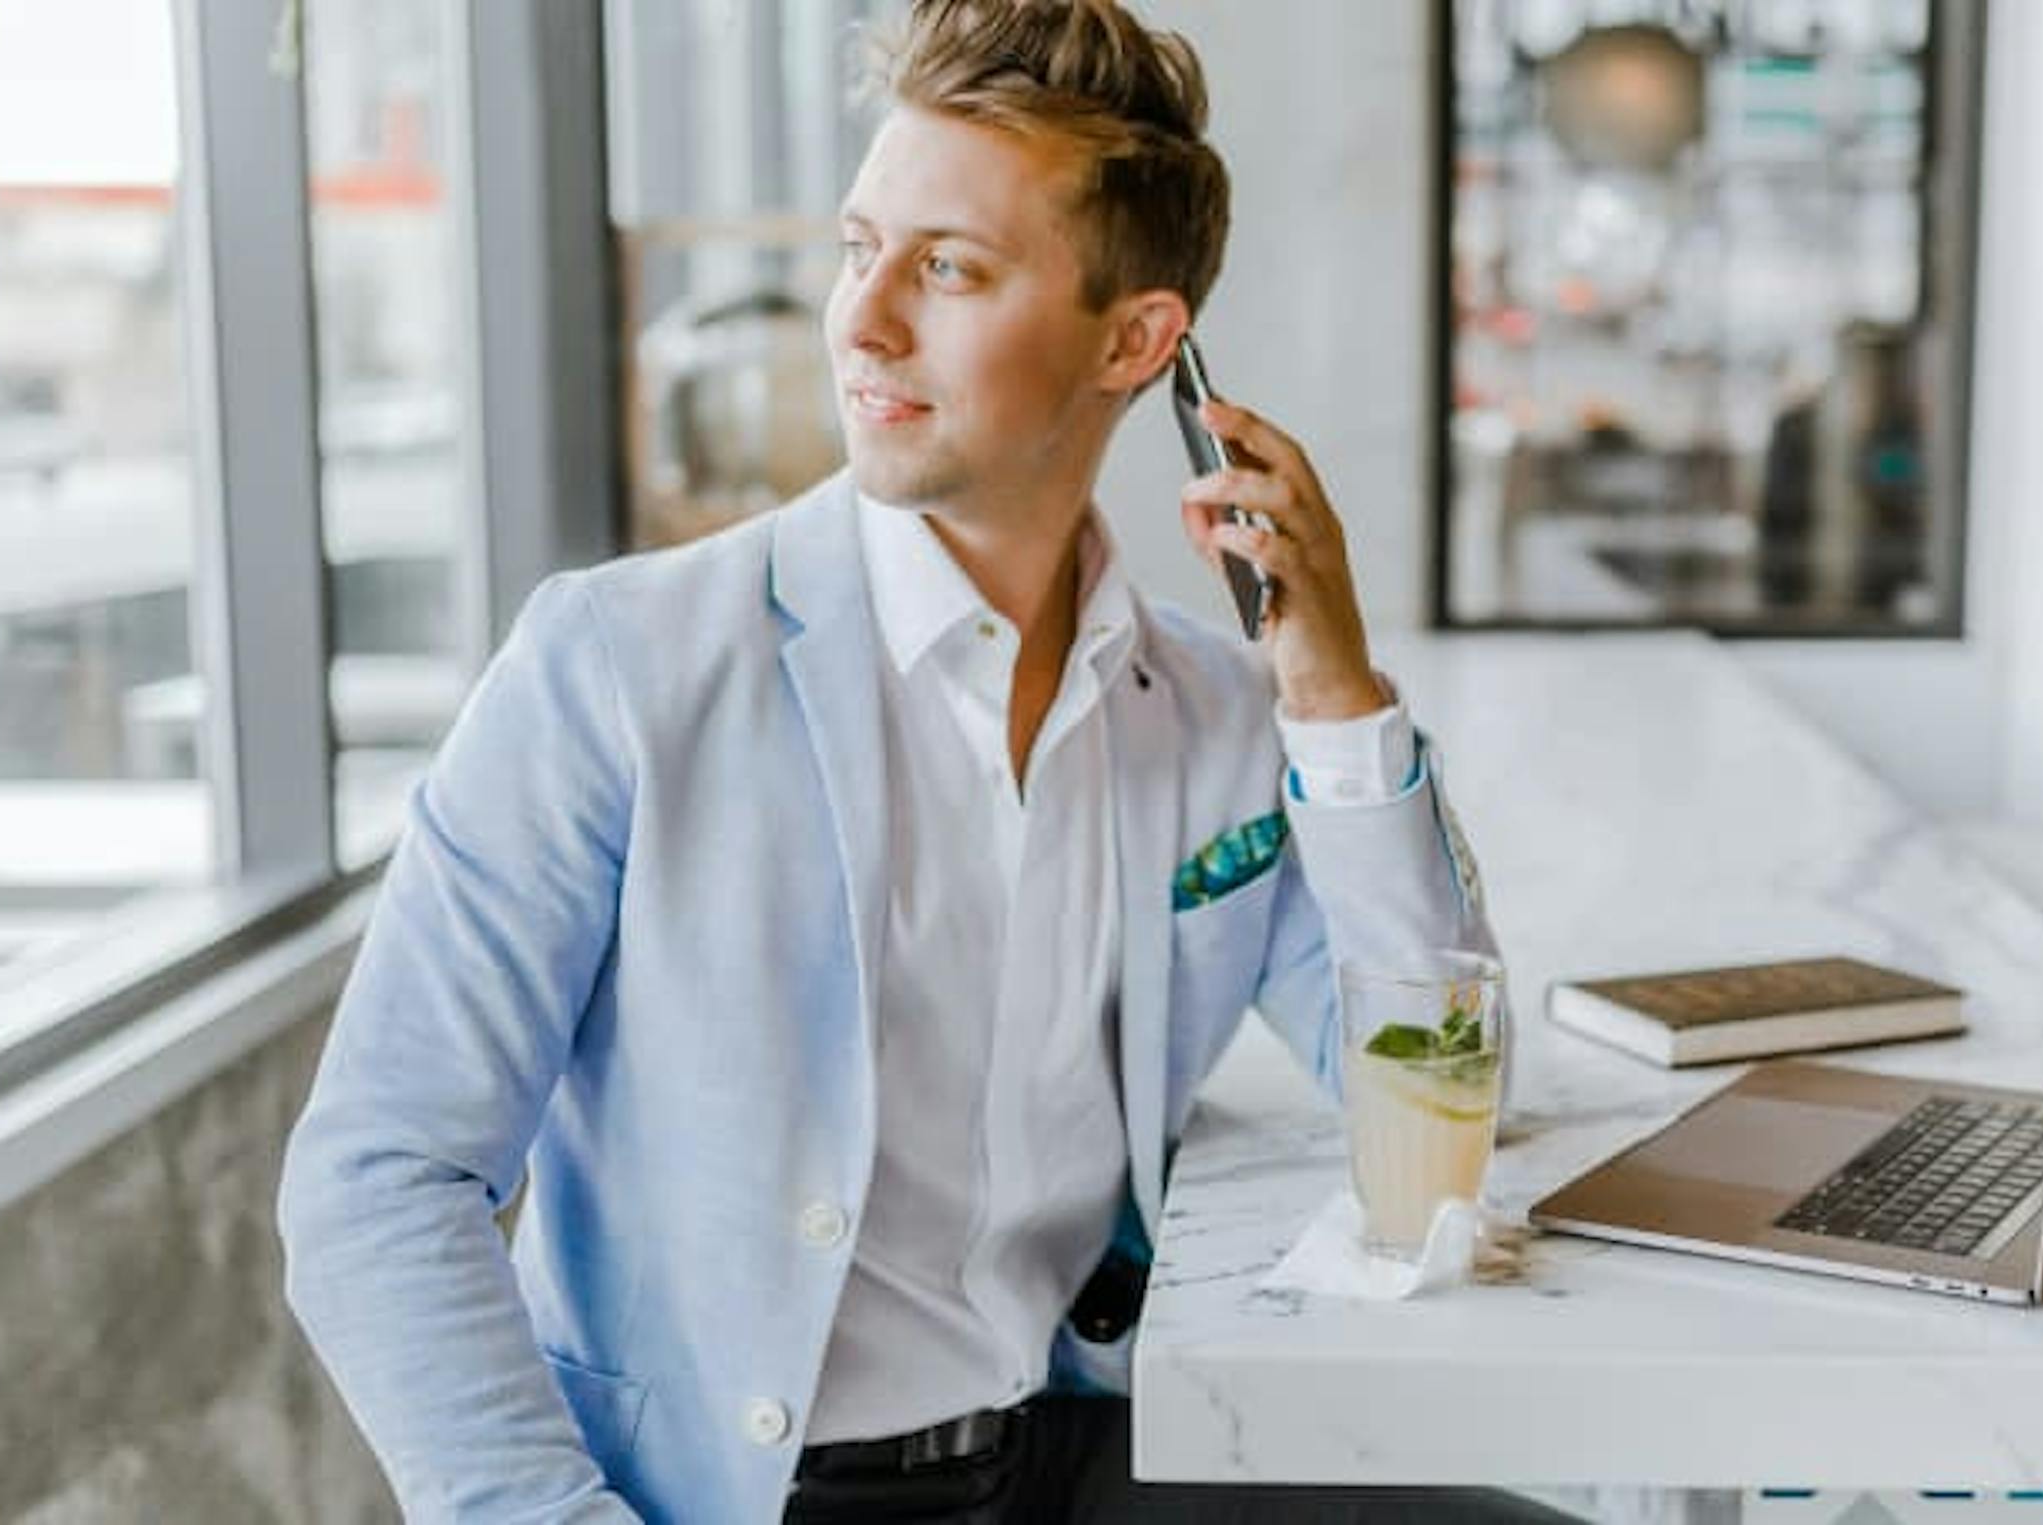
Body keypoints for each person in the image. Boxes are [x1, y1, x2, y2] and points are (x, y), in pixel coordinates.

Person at [277, 3, 1565, 1520]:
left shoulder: (1213, 716)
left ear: (1138, 340)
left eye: (947, 268)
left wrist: (1334, 692)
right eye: (855, 246)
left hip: (1071, 1450)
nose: (863, 319)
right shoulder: (615, 669)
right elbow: (377, 1184)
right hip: (731, 1491)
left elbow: (1429, 1110)